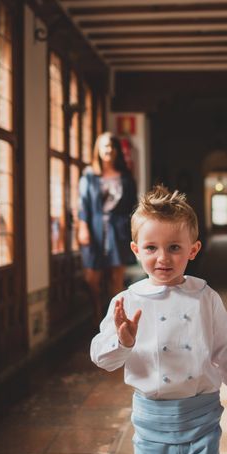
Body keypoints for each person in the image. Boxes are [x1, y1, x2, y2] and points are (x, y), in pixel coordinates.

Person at [90, 185, 227, 454]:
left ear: (193, 250)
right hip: (152, 423)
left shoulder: (205, 297)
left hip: (202, 418)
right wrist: (123, 341)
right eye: (151, 248)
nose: (163, 258)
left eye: (174, 247)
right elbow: (100, 357)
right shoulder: (128, 300)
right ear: (135, 250)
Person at [78, 132, 137, 321]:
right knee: (92, 278)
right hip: (94, 229)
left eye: (112, 146)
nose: (108, 149)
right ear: (98, 150)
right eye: (104, 146)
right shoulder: (89, 176)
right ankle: (96, 313)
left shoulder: (126, 177)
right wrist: (83, 226)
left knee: (116, 278)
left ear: (117, 151)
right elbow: (83, 203)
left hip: (118, 229)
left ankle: (115, 319)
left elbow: (132, 207)